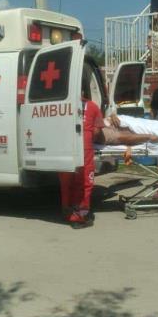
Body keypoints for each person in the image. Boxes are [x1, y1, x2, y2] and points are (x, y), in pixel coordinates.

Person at [58, 74, 104, 229]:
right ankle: (80, 215)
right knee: (85, 182)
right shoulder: (92, 106)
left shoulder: (61, 106)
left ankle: (66, 210)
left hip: (64, 147)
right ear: (84, 91)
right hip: (84, 148)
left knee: (66, 181)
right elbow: (97, 131)